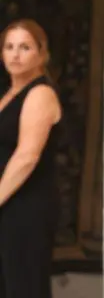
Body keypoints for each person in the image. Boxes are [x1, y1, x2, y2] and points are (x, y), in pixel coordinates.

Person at [0, 19, 61, 298]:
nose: (15, 54)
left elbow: (27, 156)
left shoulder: (40, 93)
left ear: (41, 53)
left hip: (26, 206)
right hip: (7, 203)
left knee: (23, 286)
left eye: (25, 47)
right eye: (9, 46)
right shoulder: (9, 95)